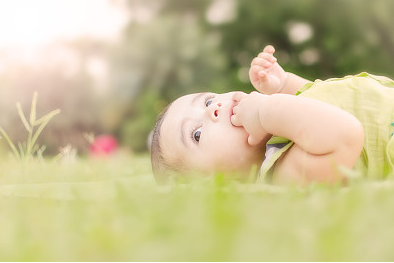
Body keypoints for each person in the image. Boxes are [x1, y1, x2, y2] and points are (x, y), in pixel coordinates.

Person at [150, 45, 394, 185]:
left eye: (208, 100)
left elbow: (326, 101)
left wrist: (284, 84)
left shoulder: (282, 130)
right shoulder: (283, 176)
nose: (213, 109)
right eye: (197, 134)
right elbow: (345, 133)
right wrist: (266, 111)